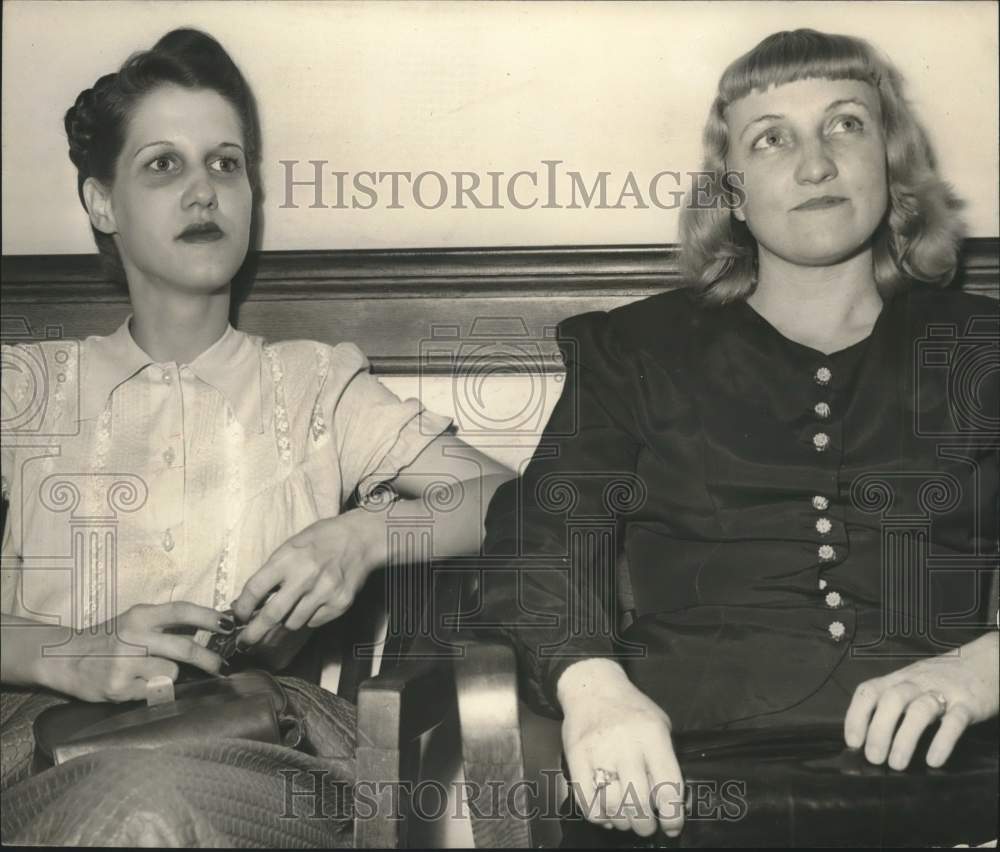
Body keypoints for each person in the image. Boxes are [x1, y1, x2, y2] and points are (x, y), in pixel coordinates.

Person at [478, 28, 999, 845]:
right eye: (772, 139)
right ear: (732, 190)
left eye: (845, 125)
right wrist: (592, 687)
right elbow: (536, 533)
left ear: (891, 159)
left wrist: (984, 669)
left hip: (958, 782)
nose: (815, 163)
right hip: (686, 785)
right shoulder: (633, 352)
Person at [0, 28, 511, 845]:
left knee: (144, 809)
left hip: (255, 750)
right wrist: (60, 652)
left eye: (226, 163)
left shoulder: (313, 384)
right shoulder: (23, 388)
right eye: (163, 164)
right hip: (34, 750)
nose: (204, 191)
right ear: (101, 202)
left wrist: (364, 535)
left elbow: (512, 500)